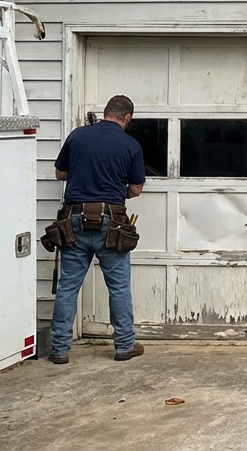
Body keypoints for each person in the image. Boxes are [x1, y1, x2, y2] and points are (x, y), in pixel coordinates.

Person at [48, 95, 146, 364]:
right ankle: (124, 346)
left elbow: (60, 173)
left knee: (68, 286)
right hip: (111, 222)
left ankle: (59, 350)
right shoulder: (130, 144)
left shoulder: (78, 136)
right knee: (119, 287)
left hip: (74, 221)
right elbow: (136, 189)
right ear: (127, 117)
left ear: (105, 113)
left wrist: (84, 172)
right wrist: (116, 189)